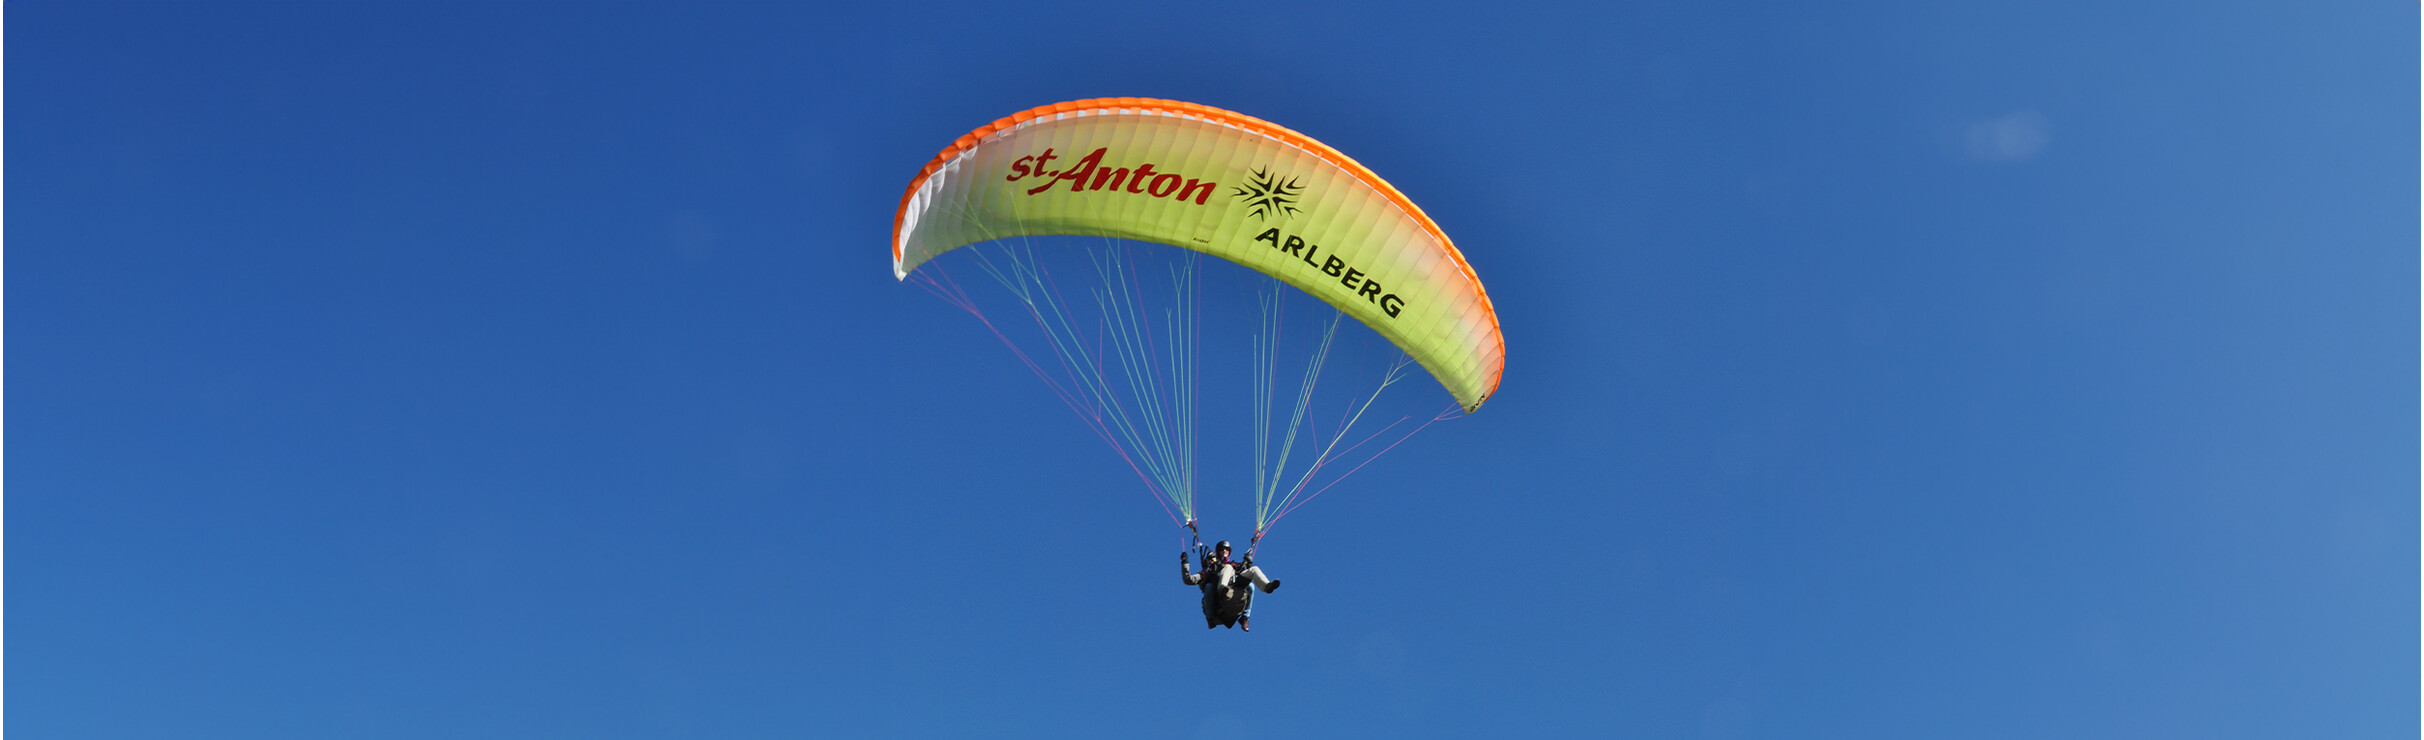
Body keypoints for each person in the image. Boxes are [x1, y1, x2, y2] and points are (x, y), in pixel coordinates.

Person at [1180, 539, 1280, 631]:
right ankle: (1215, 606)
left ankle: (1266, 588)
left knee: (1252, 580)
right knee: (1211, 584)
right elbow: (1188, 580)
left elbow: (1242, 571)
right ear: (1218, 551)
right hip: (1218, 596)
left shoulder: (1234, 566)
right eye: (1222, 549)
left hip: (1234, 587)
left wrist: (1248, 564)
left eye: (1227, 549)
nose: (1225, 551)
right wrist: (1185, 562)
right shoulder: (1209, 570)